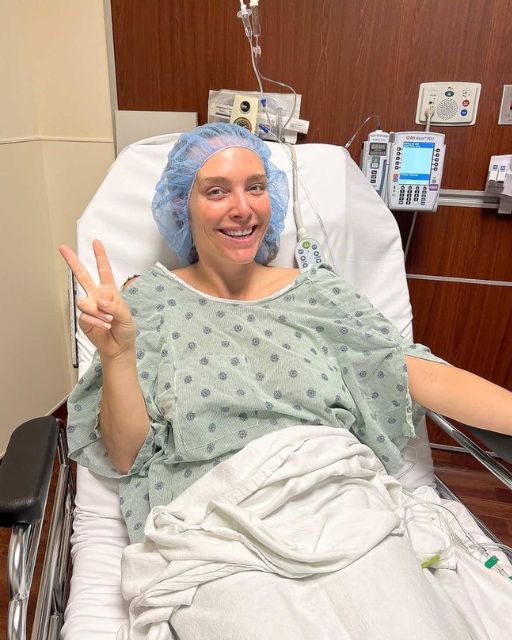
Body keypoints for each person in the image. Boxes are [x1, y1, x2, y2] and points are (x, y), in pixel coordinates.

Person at [59, 122, 512, 545]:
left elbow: (414, 370)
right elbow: (127, 456)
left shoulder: (320, 293)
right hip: (215, 533)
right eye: (217, 191)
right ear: (182, 206)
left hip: (338, 512)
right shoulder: (147, 303)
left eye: (255, 187)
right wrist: (118, 356)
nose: (242, 208)